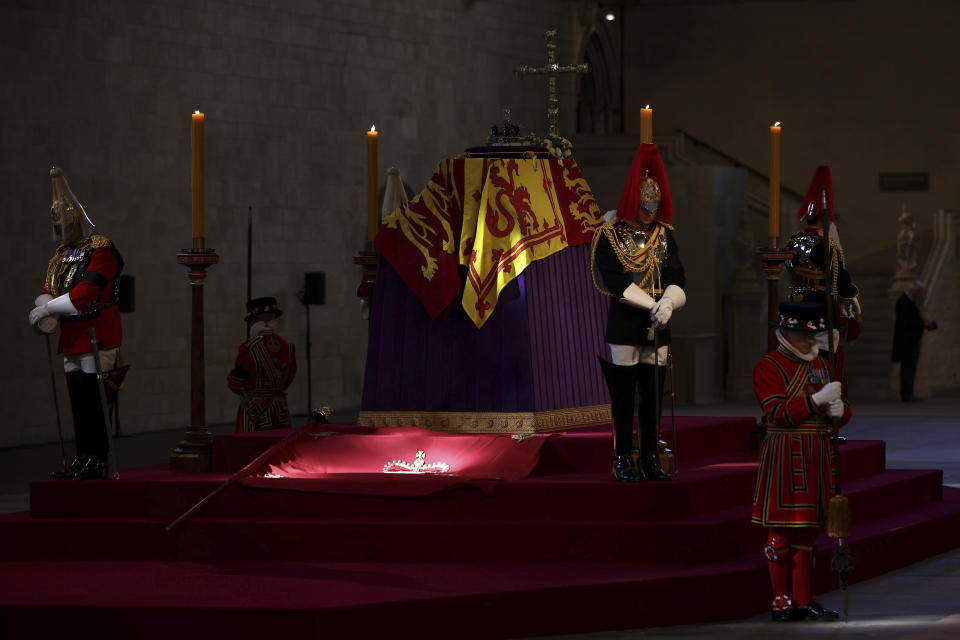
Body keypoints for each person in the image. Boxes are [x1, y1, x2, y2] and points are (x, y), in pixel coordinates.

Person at [590, 143, 686, 482]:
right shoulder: (611, 235)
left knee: (652, 396)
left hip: (659, 320)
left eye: (654, 206)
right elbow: (614, 280)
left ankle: (649, 457)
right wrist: (653, 305)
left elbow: (677, 277)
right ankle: (621, 458)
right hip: (628, 318)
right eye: (644, 206)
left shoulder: (664, 236)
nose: (649, 213)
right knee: (623, 395)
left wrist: (669, 303)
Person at [752, 301, 850, 622]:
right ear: (786, 332)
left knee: (808, 532)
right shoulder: (768, 366)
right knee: (781, 532)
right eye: (803, 336)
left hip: (817, 452)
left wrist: (839, 412)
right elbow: (777, 413)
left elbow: (841, 406)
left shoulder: (823, 363)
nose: (810, 342)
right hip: (785, 453)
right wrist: (815, 400)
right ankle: (781, 599)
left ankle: (803, 598)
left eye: (814, 335)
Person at [28, 167, 124, 480]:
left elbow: (88, 291)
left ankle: (98, 458)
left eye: (64, 221)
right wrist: (44, 306)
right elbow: (49, 288)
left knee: (96, 401)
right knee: (78, 401)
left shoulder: (101, 247)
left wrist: (50, 309)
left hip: (97, 330)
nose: (60, 228)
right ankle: (83, 457)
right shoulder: (60, 256)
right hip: (71, 334)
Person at [227, 297, 297, 432]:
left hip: (255, 411)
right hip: (280, 410)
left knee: (252, 449)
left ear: (254, 322)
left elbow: (236, 382)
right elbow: (289, 378)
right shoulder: (288, 347)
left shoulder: (248, 348)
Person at [892, 281, 937, 402]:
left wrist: (923, 322)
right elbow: (908, 321)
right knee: (907, 368)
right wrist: (924, 324)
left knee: (910, 368)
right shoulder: (904, 302)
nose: (920, 297)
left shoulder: (909, 302)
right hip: (907, 342)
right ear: (914, 291)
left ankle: (908, 392)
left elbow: (913, 318)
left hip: (910, 341)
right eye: (919, 294)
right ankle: (906, 394)